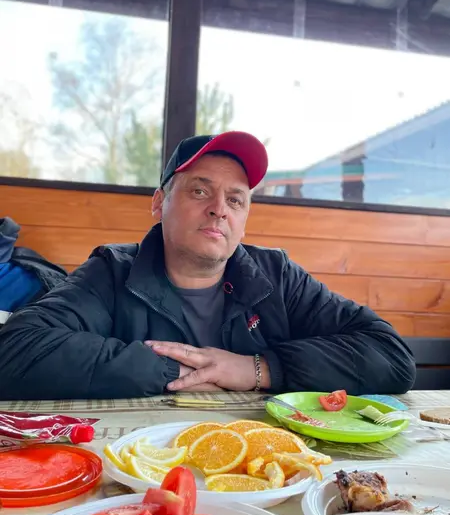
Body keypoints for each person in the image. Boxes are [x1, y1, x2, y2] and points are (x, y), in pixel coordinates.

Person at [0, 131, 416, 400]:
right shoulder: (111, 271)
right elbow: (14, 350)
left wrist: (258, 369)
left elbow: (390, 356)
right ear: (160, 203)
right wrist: (178, 370)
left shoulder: (277, 276)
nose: (220, 209)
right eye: (200, 191)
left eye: (235, 199)